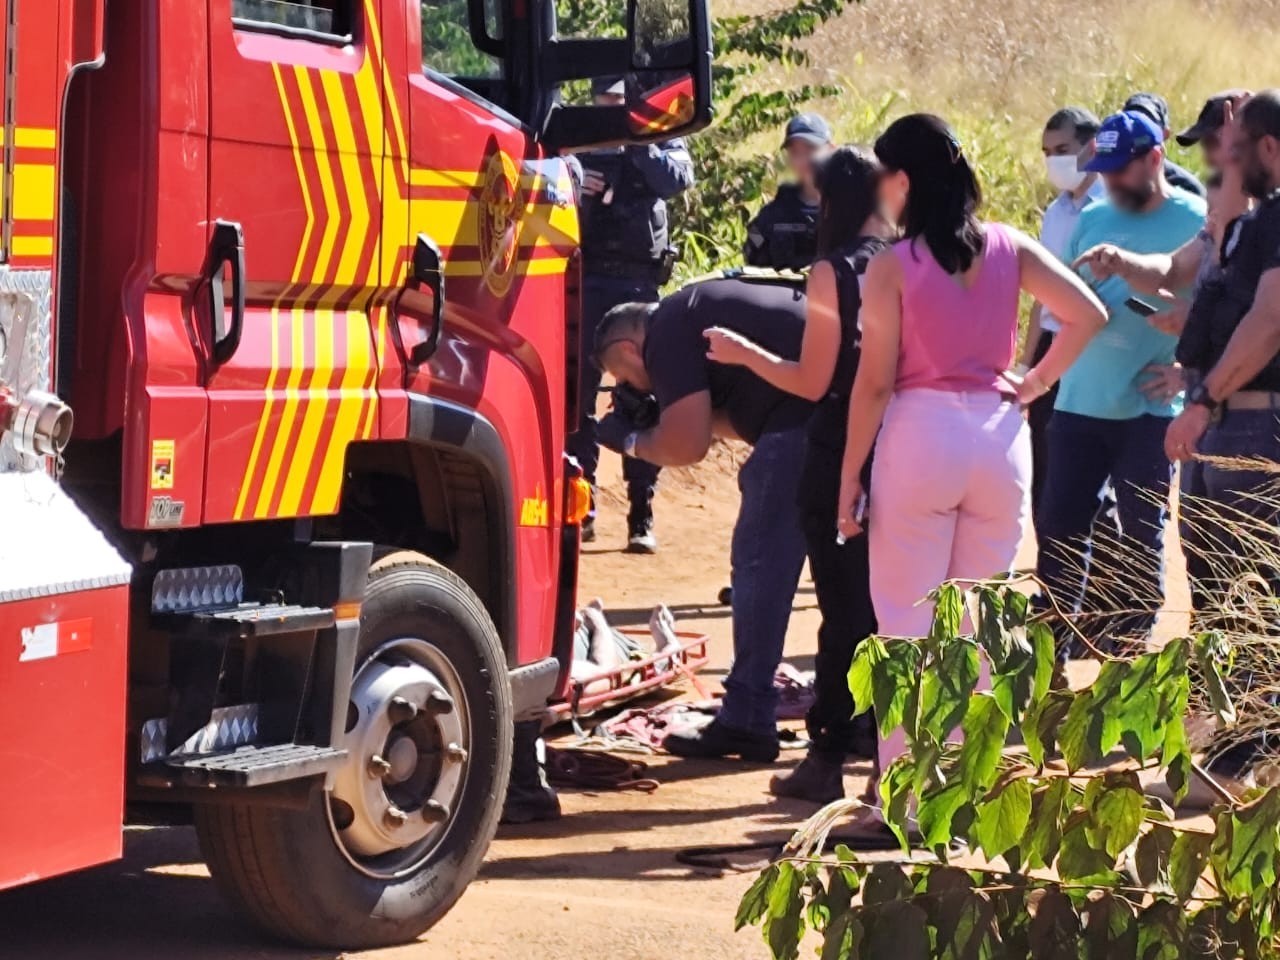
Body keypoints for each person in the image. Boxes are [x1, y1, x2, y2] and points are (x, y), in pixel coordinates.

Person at [835, 114, 1106, 779]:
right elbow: (1087, 314)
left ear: (902, 181)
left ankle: (902, 792)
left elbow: (874, 385)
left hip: (922, 434)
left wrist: (849, 477)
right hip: (1000, 435)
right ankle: (964, 786)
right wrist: (1036, 381)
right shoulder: (1009, 246)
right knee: (976, 625)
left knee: (907, 623)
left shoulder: (892, 266)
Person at [702, 146, 896, 802]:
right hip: (909, 446)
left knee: (841, 610)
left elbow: (813, 380)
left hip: (842, 443)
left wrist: (743, 354)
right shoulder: (912, 263)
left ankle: (829, 753)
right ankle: (886, 744)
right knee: (891, 605)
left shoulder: (832, 273)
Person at [594, 277, 814, 761]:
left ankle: (747, 716)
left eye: (624, 376)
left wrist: (627, 440)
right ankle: (856, 714)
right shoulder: (697, 310)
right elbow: (733, 419)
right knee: (843, 576)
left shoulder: (669, 325)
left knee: (759, 563)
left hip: (803, 422)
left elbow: (688, 446)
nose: (631, 388)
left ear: (630, 347)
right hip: (847, 409)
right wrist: (659, 418)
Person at [1036, 111, 1206, 650]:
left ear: (1155, 159)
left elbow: (1217, 312)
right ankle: (1052, 658)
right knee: (1059, 531)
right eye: (1103, 171)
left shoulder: (1197, 220)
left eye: (1120, 170)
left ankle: (1132, 668)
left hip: (1150, 412)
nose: (1108, 182)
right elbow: (1065, 300)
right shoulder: (1092, 216)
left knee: (1140, 536)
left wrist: (1187, 372)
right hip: (1079, 402)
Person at [569, 76, 695, 554]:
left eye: (620, 100)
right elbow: (539, 178)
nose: (611, 107)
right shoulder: (580, 137)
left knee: (643, 397)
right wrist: (576, 177)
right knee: (577, 397)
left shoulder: (659, 135)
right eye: (605, 100)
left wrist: (637, 145)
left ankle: (641, 512)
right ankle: (582, 508)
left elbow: (677, 178)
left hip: (641, 286)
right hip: (588, 279)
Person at [1166, 91, 1280, 599]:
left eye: (1239, 148)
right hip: (1245, 424)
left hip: (1257, 425)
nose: (1227, 159)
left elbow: (1269, 319)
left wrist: (1203, 402)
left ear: (1270, 149)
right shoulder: (1259, 224)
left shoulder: (1275, 219)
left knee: (1242, 606)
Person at [1019, 106, 1106, 514]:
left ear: (1092, 146)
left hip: (1098, 348)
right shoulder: (1055, 214)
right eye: (1046, 151)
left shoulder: (1113, 205)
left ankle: (1100, 570)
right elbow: (1042, 295)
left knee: (1091, 472)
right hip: (1053, 348)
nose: (1053, 160)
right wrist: (1026, 364)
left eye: (1062, 148)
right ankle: (1052, 569)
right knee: (1044, 461)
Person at [743, 113, 834, 271]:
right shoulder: (772, 214)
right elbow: (751, 251)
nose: (803, 160)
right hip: (782, 294)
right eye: (795, 152)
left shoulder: (851, 207)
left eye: (811, 149)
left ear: (832, 149)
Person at [1124, 92, 1206, 198]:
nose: (1138, 131)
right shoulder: (1110, 179)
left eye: (1148, 126)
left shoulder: (1187, 188)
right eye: (1132, 124)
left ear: (1165, 134)